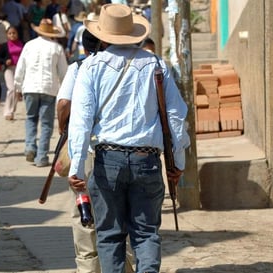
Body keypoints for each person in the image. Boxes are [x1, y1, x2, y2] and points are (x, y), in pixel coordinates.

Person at [67, 4, 190, 272]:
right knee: (146, 233)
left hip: (107, 160)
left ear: (102, 35)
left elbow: (81, 121)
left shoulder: (90, 67)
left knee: (110, 235)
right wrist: (177, 162)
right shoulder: (156, 64)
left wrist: (76, 167)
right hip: (146, 160)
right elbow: (176, 117)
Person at [57, 29, 135, 273]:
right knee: (123, 212)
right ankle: (128, 265)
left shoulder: (80, 67)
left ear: (85, 47)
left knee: (84, 212)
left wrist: (64, 130)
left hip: (88, 151)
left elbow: (63, 104)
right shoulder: (132, 64)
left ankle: (89, 268)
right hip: (125, 150)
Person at [14, 19, 68, 167]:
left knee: (31, 118)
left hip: (30, 87)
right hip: (49, 89)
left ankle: (30, 146)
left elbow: (20, 68)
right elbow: (63, 72)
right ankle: (42, 156)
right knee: (46, 124)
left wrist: (17, 87)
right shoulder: (57, 48)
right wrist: (66, 91)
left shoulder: (29, 45)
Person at [0, 25, 23, 121]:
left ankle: (12, 110)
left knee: (17, 90)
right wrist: (5, 61)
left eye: (14, 33)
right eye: (10, 33)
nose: (12, 35)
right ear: (7, 35)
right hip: (9, 69)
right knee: (11, 89)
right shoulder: (4, 46)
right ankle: (8, 112)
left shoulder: (22, 44)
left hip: (19, 69)